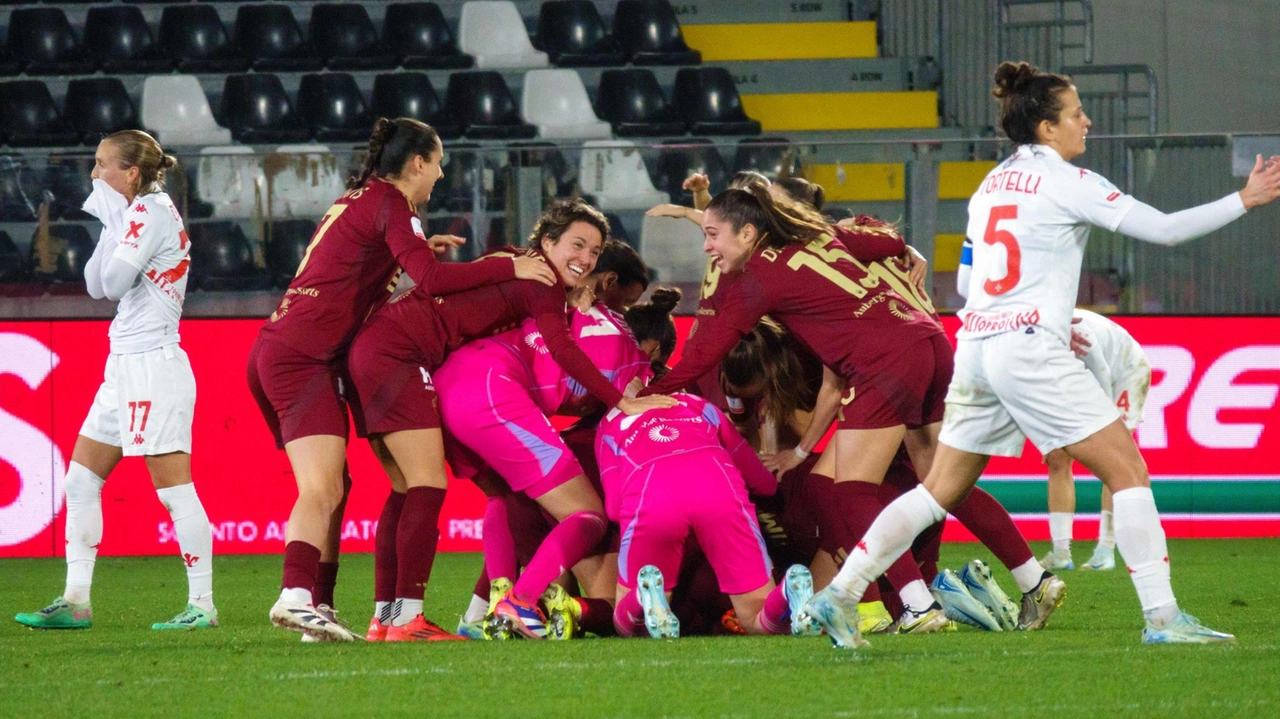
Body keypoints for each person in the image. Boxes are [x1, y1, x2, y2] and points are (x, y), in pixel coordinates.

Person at [806, 61, 1280, 648]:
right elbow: (1167, 229)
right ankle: (1163, 620)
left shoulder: (988, 187)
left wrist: (1043, 318)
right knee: (1128, 470)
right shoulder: (1068, 181)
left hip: (977, 344)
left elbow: (965, 286)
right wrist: (1247, 198)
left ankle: (840, 594)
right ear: (1048, 128)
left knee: (938, 491)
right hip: (1026, 348)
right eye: (1076, 111)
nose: (1086, 120)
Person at [249, 117, 555, 641]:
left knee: (338, 487)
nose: (439, 174)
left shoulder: (361, 199)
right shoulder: (392, 203)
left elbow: (353, 269)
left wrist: (409, 254)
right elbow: (433, 282)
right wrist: (511, 269)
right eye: (437, 163)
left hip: (280, 349)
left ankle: (320, 609)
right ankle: (297, 597)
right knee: (324, 488)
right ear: (417, 162)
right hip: (303, 359)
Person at [637, 183, 973, 632]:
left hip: (881, 363)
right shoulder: (817, 238)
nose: (706, 246)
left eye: (712, 235)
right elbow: (886, 240)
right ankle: (1022, 578)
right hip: (929, 342)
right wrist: (907, 249)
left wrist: (634, 400)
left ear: (750, 232)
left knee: (849, 493)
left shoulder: (758, 278)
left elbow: (706, 353)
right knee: (934, 483)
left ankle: (914, 602)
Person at [346, 199, 676, 641]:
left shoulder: (514, 263)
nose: (585, 259)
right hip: (473, 386)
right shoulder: (551, 290)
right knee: (586, 515)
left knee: (483, 496)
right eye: (578, 245)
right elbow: (563, 351)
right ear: (548, 242)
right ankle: (513, 605)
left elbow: (472, 273)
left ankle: (423, 615)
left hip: (436, 379)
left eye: (594, 252)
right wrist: (623, 400)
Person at [15, 131, 216, 631]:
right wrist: (111, 224)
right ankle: (76, 601)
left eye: (103, 164)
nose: (93, 173)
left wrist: (116, 221)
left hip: (154, 364)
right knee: (81, 480)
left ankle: (203, 605)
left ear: (130, 173)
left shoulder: (150, 212)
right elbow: (93, 284)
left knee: (174, 492)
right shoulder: (132, 215)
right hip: (123, 364)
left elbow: (112, 285)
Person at [596, 390, 819, 639]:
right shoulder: (698, 404)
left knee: (627, 627)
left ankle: (642, 597)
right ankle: (789, 593)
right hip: (718, 488)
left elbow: (614, 509)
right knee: (754, 616)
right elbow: (763, 483)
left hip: (652, 497)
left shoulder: (609, 420)